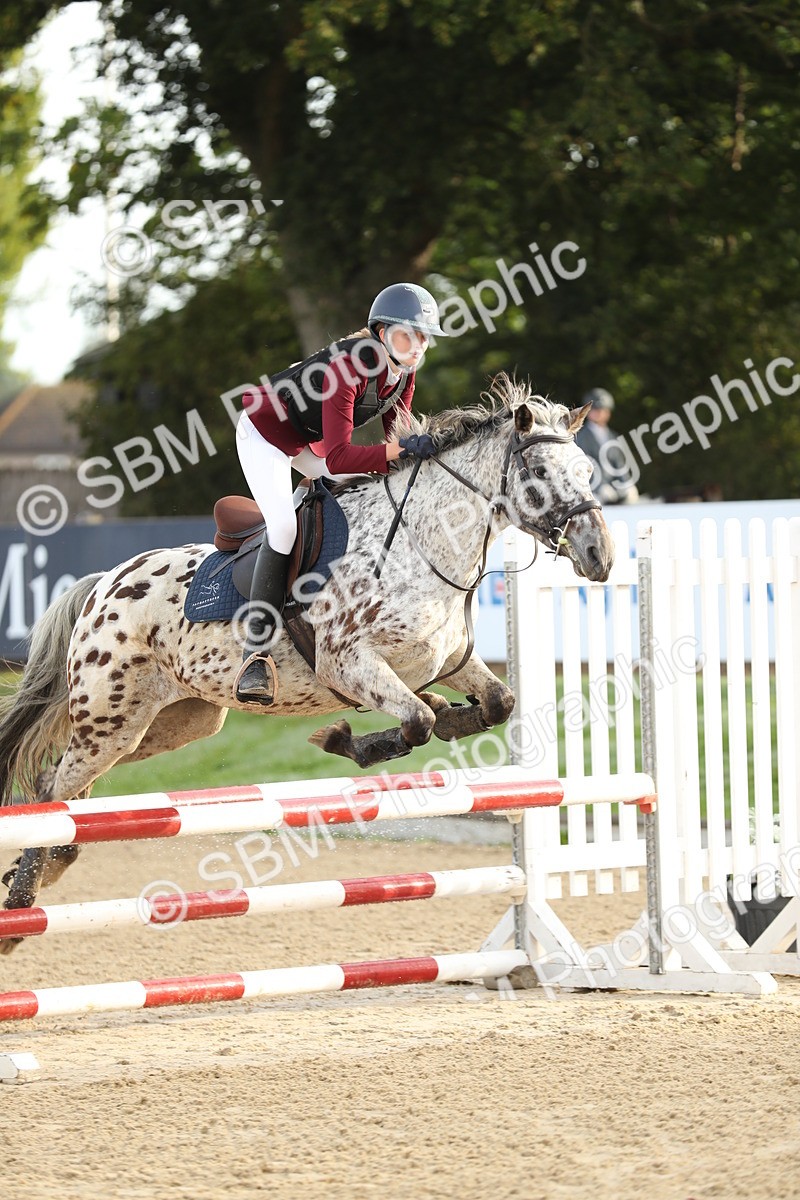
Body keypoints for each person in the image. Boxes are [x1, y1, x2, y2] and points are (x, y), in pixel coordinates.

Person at [234, 282, 449, 704]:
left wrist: (417, 453)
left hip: (306, 442)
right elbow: (339, 456)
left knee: (359, 504)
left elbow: (397, 437)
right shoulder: (347, 369)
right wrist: (401, 449)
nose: (419, 345)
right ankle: (255, 653)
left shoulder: (403, 370)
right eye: (410, 333)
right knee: (281, 529)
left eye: (425, 336)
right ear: (382, 331)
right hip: (265, 434)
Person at [574, 387, 639, 506]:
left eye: (603, 409)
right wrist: (600, 487)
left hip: (615, 490)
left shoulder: (613, 436)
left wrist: (627, 484)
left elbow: (619, 464)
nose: (600, 413)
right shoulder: (580, 438)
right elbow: (585, 465)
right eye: (596, 410)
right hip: (592, 491)